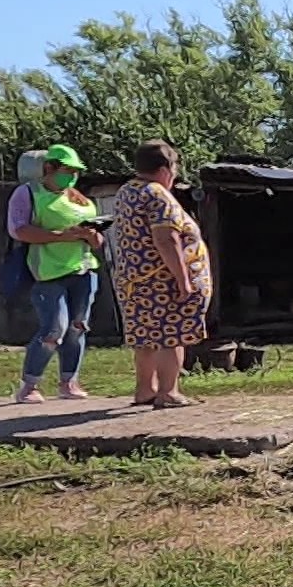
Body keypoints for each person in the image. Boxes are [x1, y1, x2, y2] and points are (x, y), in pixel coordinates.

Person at [110, 139, 211, 408]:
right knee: (172, 335)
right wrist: (183, 280)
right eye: (175, 167)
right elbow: (166, 239)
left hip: (135, 281)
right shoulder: (157, 194)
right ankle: (169, 392)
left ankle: (146, 389)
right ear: (166, 168)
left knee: (145, 337)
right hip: (161, 281)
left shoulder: (126, 191)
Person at [8, 143, 103, 403]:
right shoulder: (27, 193)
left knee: (77, 327)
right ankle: (29, 385)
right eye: (66, 170)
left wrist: (91, 236)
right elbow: (19, 230)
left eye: (75, 171)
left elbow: (98, 242)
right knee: (54, 330)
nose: (71, 176)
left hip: (83, 270)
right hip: (48, 272)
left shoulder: (77, 197)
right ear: (48, 168)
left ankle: (69, 382)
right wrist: (61, 236)